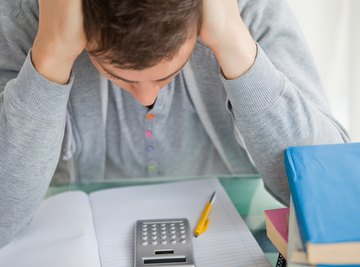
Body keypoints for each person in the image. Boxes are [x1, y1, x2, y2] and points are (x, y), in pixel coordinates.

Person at [0, 0, 349, 248]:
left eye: (166, 74)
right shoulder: (35, 18)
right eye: (116, 75)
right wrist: (50, 55)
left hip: (243, 234)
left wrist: (233, 41)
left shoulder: (244, 9)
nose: (145, 97)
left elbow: (335, 198)